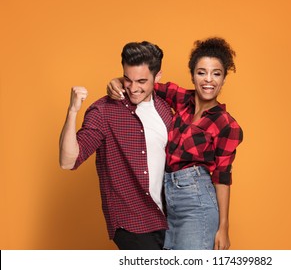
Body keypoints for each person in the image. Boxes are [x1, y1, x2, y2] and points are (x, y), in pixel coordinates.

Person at [107, 37, 243, 250]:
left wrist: (223, 227)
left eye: (216, 73)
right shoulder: (182, 100)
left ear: (224, 78)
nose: (209, 80)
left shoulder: (226, 124)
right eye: (201, 72)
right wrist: (117, 81)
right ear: (192, 75)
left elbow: (222, 177)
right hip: (168, 204)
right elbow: (144, 82)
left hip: (197, 205)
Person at [59, 41, 173, 250]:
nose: (133, 88)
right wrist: (72, 111)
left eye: (141, 81)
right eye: (127, 79)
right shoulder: (104, 111)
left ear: (157, 77)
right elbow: (68, 161)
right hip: (131, 221)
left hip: (166, 219)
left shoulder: (165, 109)